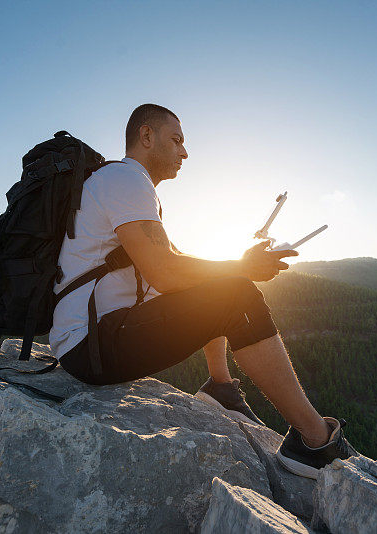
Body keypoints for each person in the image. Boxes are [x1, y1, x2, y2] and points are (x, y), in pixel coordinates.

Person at [49, 103, 353, 479]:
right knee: (237, 293)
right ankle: (315, 441)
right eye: (176, 140)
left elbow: (175, 266)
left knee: (217, 283)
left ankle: (221, 387)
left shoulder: (121, 184)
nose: (184, 152)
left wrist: (234, 265)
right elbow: (166, 272)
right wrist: (242, 269)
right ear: (146, 137)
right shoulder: (126, 181)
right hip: (92, 345)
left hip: (91, 340)